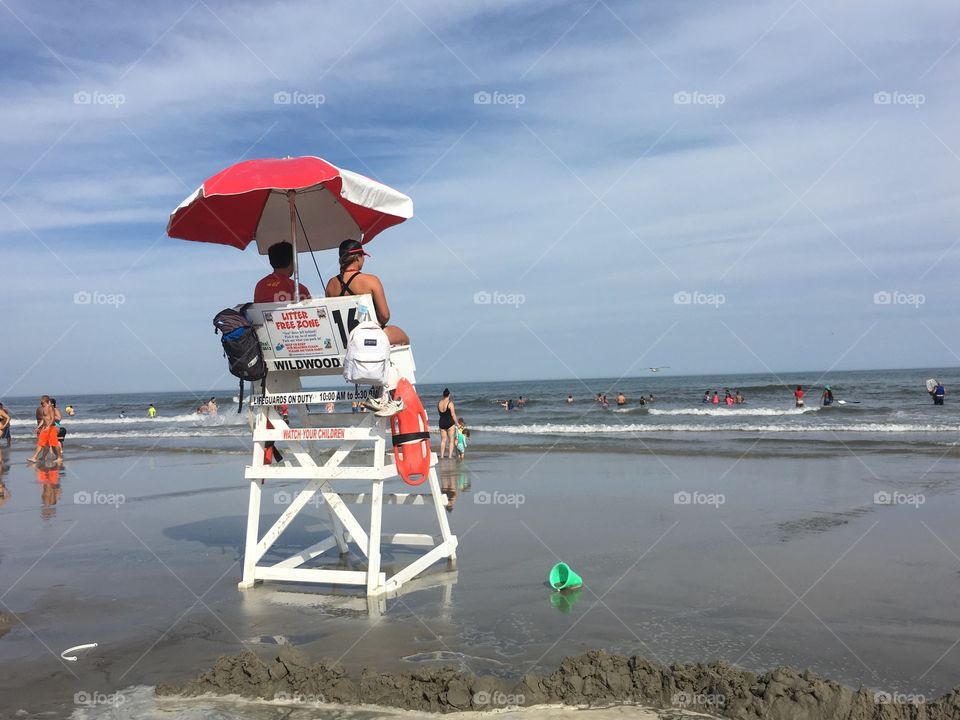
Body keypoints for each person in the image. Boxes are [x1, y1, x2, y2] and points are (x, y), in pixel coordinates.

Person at [325, 239, 409, 346]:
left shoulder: (331, 285)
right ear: (358, 258)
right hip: (368, 339)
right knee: (404, 338)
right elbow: (385, 316)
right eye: (363, 256)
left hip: (343, 341)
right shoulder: (371, 280)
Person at [28, 396, 61, 465]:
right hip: (45, 428)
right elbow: (43, 419)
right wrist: (38, 427)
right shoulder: (43, 408)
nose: (41, 404)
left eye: (42, 402)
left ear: (46, 401)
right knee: (41, 443)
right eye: (41, 402)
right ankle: (35, 457)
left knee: (54, 444)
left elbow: (52, 419)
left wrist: (48, 426)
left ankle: (59, 457)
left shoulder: (50, 407)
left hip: (51, 428)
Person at [437, 389, 459, 459]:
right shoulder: (450, 403)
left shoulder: (439, 403)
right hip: (450, 423)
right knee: (451, 440)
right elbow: (453, 415)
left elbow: (440, 413)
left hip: (442, 422)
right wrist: (457, 424)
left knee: (443, 440)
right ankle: (449, 456)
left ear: (443, 395)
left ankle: (442, 456)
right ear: (449, 395)